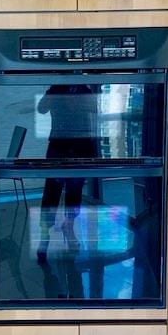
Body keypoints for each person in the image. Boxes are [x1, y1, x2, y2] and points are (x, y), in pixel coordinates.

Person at [36, 84, 98, 263]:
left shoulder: (85, 89)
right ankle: (44, 233)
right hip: (59, 145)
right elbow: (41, 109)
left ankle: (69, 227)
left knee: (75, 189)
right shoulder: (56, 88)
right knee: (52, 191)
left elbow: (95, 109)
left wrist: (77, 101)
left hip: (81, 145)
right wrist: (56, 94)